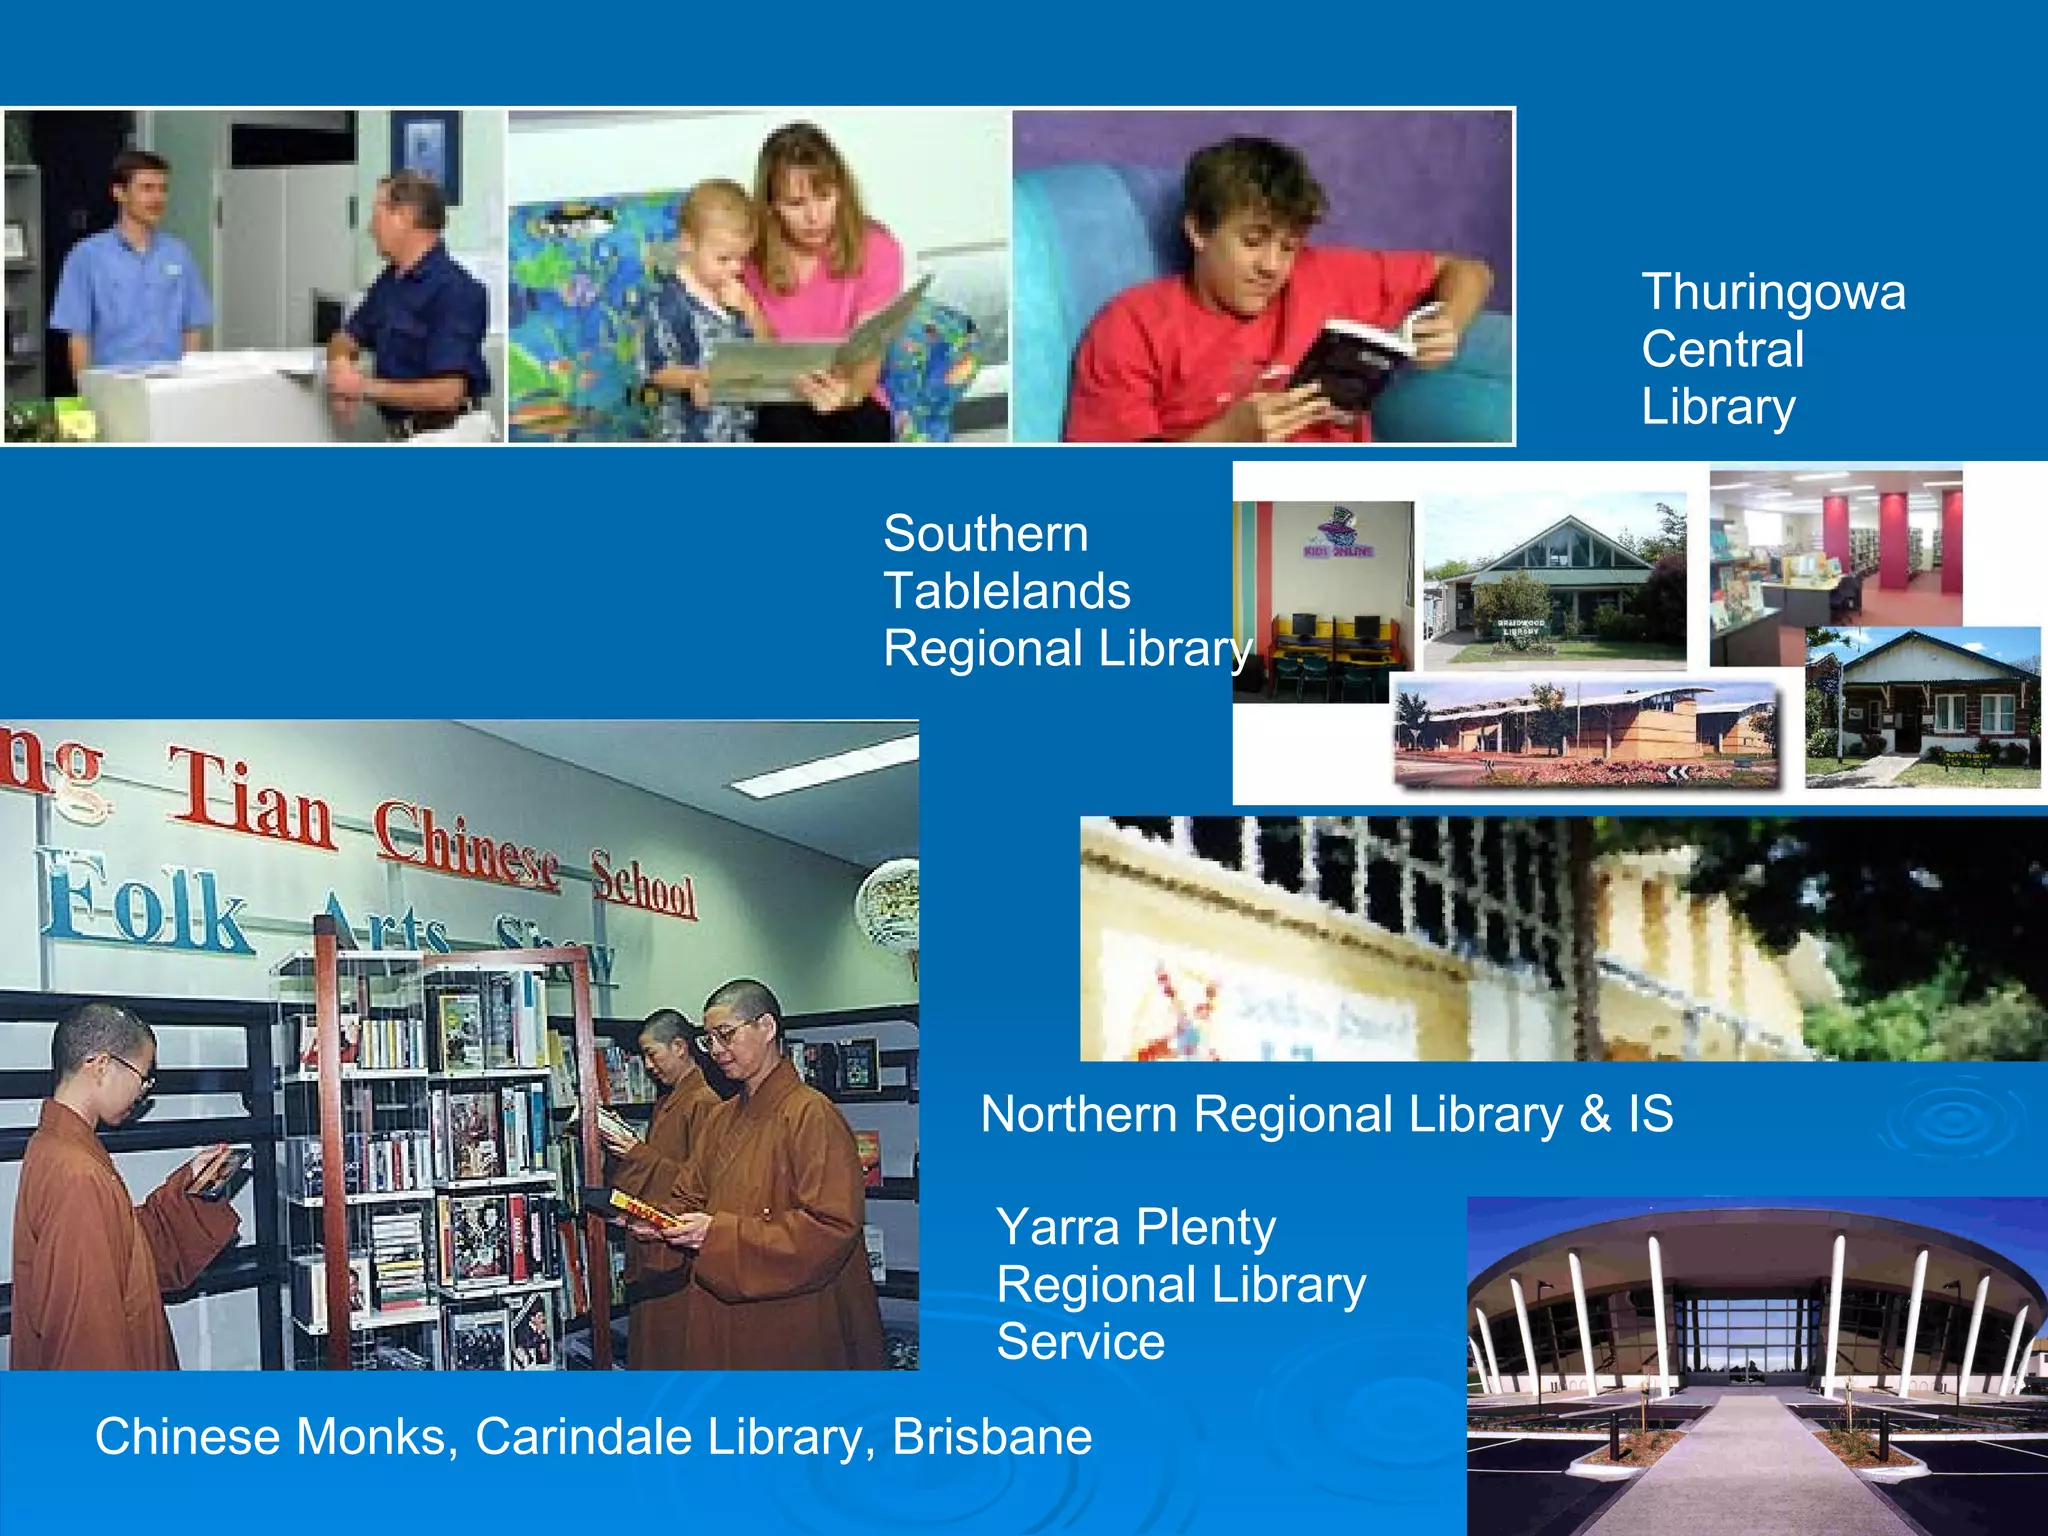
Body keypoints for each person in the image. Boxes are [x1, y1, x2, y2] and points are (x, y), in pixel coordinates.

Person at [1063, 135, 1494, 444]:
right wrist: (1223, 438)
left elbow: (1468, 270)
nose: (1272, 266)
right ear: (1198, 231)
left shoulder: (1322, 275)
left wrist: (1449, 320)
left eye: (1288, 246)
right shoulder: (1132, 326)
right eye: (1252, 242)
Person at [631, 979, 884, 1370]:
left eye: (726, 1035)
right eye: (709, 1039)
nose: (716, 1050)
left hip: (790, 1315)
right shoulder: (720, 1117)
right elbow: (688, 1195)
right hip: (718, 1306)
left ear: (767, 1028)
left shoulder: (811, 1114)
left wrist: (717, 1234)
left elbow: (832, 1227)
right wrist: (659, 1222)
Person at [10, 1002, 242, 1370]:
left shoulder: (60, 1149)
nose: (144, 1092)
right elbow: (86, 1338)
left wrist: (187, 1192)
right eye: (143, 1075)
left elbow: (123, 1248)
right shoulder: (76, 1174)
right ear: (101, 1066)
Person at [744, 123, 902, 443]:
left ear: (840, 191)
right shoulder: (746, 257)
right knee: (784, 425)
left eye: (824, 196)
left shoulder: (877, 247)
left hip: (854, 394)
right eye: (796, 203)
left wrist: (849, 393)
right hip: (780, 399)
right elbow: (752, 356)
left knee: (863, 426)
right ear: (771, 206)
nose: (814, 217)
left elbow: (868, 359)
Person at [597, 1008, 724, 1368]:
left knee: (676, 1355)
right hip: (652, 1244)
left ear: (680, 1046)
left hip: (679, 1256)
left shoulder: (704, 1103)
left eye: (652, 1054)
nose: (648, 1066)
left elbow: (703, 1184)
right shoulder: (669, 1099)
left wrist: (639, 1155)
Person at [326, 171, 493, 443]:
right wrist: (341, 366)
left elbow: (447, 394)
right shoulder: (388, 284)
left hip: (447, 438)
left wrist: (361, 387)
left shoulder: (456, 290)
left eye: (376, 216)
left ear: (403, 217)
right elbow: (345, 337)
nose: (370, 229)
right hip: (403, 437)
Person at [50, 149, 213, 375]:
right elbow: (78, 337)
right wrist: (89, 397)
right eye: (147, 188)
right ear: (119, 192)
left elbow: (192, 327)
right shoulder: (87, 256)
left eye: (163, 189)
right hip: (115, 387)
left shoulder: (178, 253)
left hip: (169, 387)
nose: (157, 198)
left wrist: (187, 383)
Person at [638, 180, 766, 443]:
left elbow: (765, 350)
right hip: (690, 432)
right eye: (723, 259)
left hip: (739, 429)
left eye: (742, 258)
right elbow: (656, 369)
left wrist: (751, 310)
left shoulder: (737, 294)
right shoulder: (667, 302)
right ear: (687, 243)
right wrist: (693, 378)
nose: (735, 269)